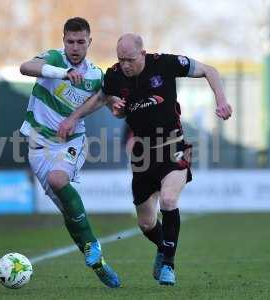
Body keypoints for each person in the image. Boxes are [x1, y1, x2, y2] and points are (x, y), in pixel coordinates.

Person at [58, 33, 232, 286]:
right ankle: (163, 247)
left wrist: (222, 101)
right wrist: (74, 118)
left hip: (173, 147)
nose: (125, 64)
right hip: (142, 157)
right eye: (121, 59)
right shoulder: (115, 75)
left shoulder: (165, 63)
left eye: (129, 59)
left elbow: (209, 70)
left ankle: (169, 266)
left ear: (142, 53)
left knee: (169, 200)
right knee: (146, 222)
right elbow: (100, 98)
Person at [19, 17, 120, 288]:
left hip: (71, 142)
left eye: (80, 42)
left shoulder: (96, 74)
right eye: (70, 41)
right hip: (39, 146)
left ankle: (92, 246)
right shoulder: (53, 59)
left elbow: (104, 96)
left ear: (90, 41)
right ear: (63, 41)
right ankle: (96, 259)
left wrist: (115, 104)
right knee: (67, 211)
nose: (75, 47)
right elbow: (25, 67)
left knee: (58, 180)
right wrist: (60, 73)